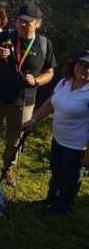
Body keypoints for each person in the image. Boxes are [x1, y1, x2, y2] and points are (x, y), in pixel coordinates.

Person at [0, 3, 56, 183]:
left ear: (38, 24)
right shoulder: (7, 35)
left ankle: (7, 170)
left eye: (28, 22)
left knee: (14, 140)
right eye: (21, 21)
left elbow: (50, 72)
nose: (23, 25)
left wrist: (36, 81)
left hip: (24, 101)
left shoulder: (44, 44)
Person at [22, 51, 89, 214]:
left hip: (77, 145)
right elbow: (50, 103)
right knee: (56, 170)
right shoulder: (65, 82)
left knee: (70, 177)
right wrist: (33, 119)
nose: (84, 69)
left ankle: (63, 207)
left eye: (88, 67)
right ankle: (51, 199)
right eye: (81, 65)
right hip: (58, 137)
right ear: (74, 65)